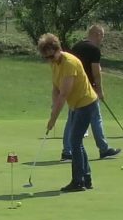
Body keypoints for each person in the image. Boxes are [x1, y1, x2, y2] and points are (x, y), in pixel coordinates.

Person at [39, 33, 99, 193]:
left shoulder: (69, 63)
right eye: (46, 58)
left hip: (86, 103)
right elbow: (56, 89)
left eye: (51, 56)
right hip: (76, 105)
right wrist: (53, 107)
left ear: (58, 49)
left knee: (74, 142)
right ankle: (86, 179)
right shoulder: (54, 64)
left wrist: (53, 119)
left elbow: (64, 94)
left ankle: (78, 181)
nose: (50, 60)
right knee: (76, 141)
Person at [62, 24, 121, 161]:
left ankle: (67, 151)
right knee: (96, 118)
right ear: (97, 34)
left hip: (73, 88)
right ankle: (104, 149)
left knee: (72, 119)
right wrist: (99, 89)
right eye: (102, 36)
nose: (102, 39)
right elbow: (96, 71)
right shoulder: (94, 50)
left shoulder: (76, 47)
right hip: (88, 90)